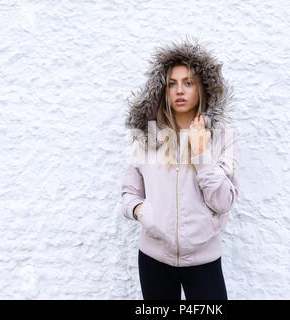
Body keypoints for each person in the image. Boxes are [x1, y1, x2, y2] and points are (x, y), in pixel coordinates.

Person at [121, 38, 239, 300]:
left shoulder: (221, 138)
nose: (179, 90)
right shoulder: (148, 136)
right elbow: (129, 193)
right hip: (153, 258)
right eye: (172, 83)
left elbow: (223, 201)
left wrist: (201, 152)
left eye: (188, 82)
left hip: (204, 260)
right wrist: (142, 211)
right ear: (163, 89)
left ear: (203, 88)